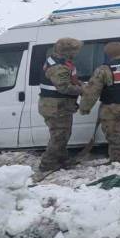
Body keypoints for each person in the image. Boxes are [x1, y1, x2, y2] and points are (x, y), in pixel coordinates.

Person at [35, 37, 84, 178]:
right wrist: (82, 90)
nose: (77, 53)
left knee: (63, 134)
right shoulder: (58, 66)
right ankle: (48, 163)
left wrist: (79, 83)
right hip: (56, 107)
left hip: (56, 105)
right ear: (68, 51)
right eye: (75, 50)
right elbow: (64, 87)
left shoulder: (57, 61)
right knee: (59, 136)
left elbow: (68, 79)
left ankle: (62, 159)